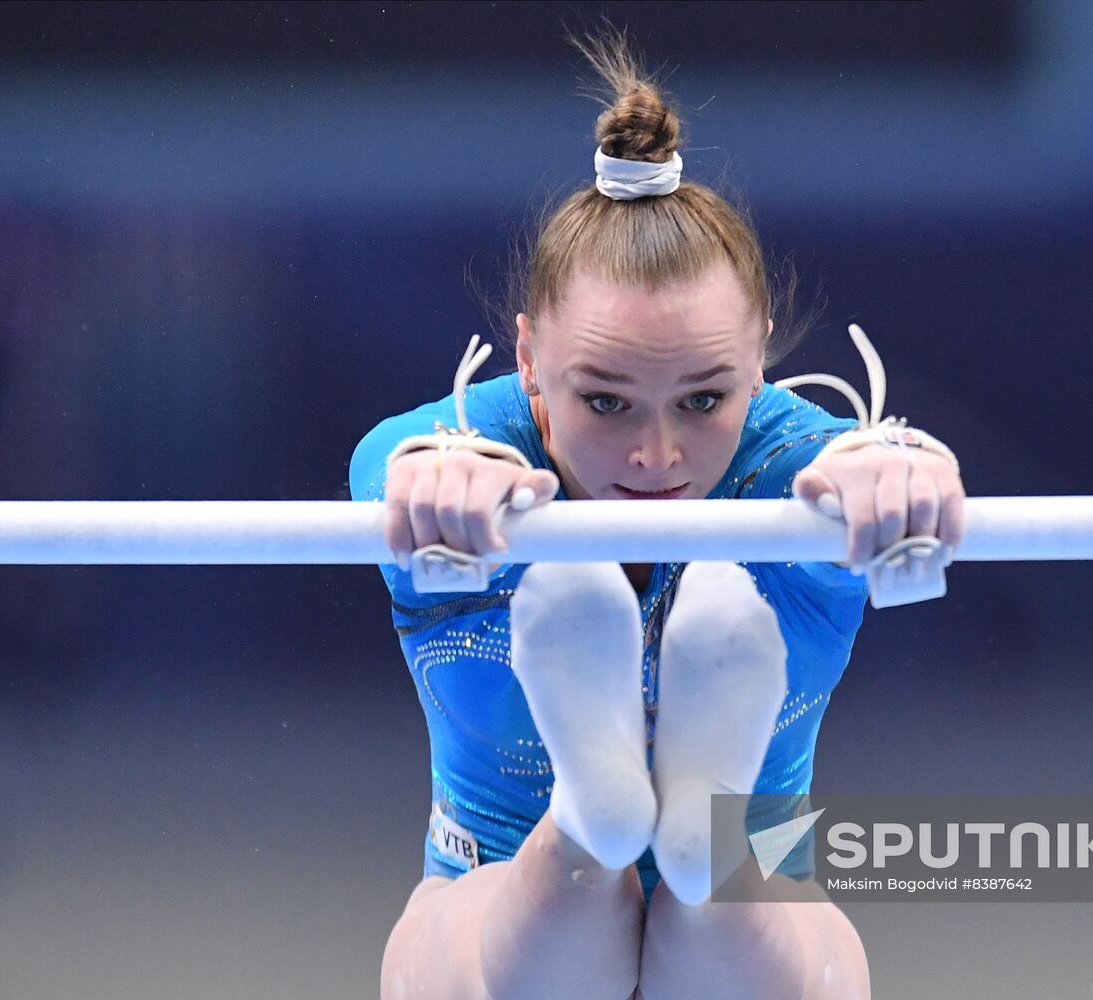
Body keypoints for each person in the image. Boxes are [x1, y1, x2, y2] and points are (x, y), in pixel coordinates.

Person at [348, 27, 966, 1000]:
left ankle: (681, 832)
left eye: (703, 400)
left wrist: (907, 470)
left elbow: (874, 451)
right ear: (526, 361)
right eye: (605, 401)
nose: (657, 454)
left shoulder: (792, 463)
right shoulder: (465, 453)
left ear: (757, 362)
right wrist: (423, 475)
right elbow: (383, 458)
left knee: (736, 896)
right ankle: (598, 827)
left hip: (750, 887)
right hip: (495, 886)